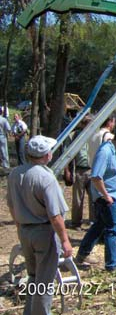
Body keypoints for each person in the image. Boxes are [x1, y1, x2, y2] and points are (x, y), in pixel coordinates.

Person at [7, 135, 73, 315]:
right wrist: (65, 240)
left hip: (25, 231)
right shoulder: (46, 177)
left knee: (34, 277)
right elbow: (55, 215)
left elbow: (11, 205)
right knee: (45, 281)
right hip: (44, 232)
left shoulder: (15, 173)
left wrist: (20, 226)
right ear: (47, 155)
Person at [76, 127, 116, 271]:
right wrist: (106, 196)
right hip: (107, 199)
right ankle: (112, 266)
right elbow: (96, 177)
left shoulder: (114, 150)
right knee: (112, 231)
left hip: (114, 195)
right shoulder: (105, 152)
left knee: (98, 227)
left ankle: (82, 254)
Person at [67, 115, 94, 229]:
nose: (88, 125)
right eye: (86, 122)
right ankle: (76, 222)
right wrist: (68, 171)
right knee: (78, 199)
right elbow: (69, 154)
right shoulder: (76, 135)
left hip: (93, 170)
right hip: (79, 170)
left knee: (94, 198)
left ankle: (94, 221)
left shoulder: (95, 135)